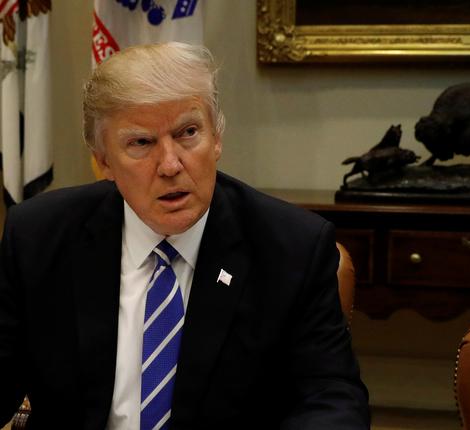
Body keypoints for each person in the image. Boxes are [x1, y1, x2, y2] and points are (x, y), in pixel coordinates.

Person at [0, 42, 369, 429]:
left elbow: (332, 402)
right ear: (103, 160)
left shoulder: (291, 248)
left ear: (217, 138)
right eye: (141, 143)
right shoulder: (40, 238)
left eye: (188, 133)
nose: (171, 165)